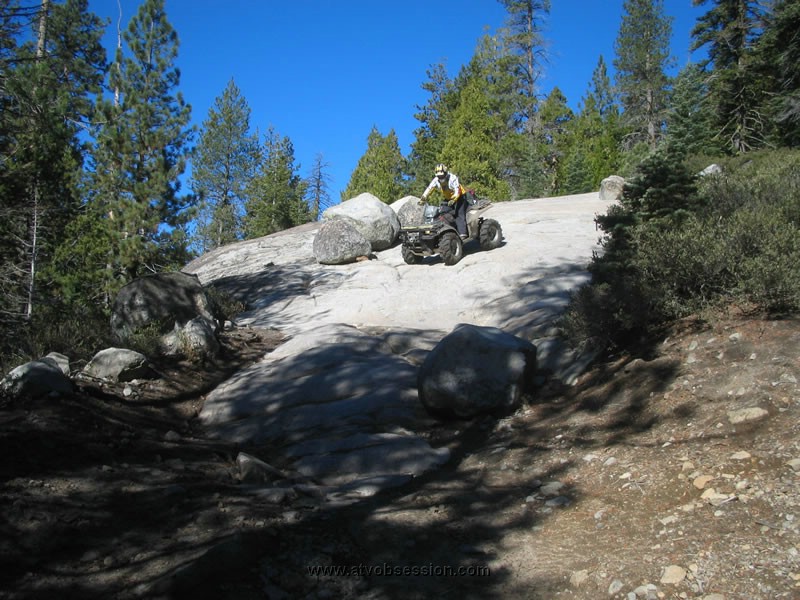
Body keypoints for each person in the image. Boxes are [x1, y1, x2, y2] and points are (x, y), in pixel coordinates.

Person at [419, 163, 469, 238]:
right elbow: (430, 188)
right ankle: (448, 230)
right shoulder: (436, 180)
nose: (440, 178)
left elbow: (457, 190)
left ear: (446, 173)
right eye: (439, 176)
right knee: (442, 212)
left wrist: (454, 199)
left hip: (460, 196)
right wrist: (423, 198)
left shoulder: (453, 178)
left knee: (459, 213)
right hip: (448, 198)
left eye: (442, 176)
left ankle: (463, 233)